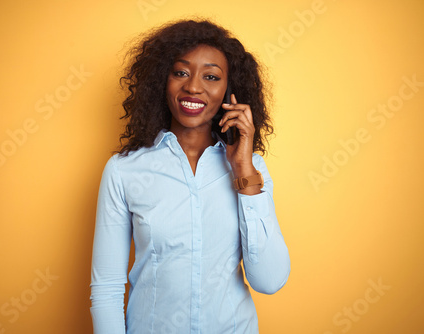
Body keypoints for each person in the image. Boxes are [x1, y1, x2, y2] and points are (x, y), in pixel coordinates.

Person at [90, 18, 290, 334]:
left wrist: (242, 172)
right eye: (181, 72)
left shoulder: (252, 170)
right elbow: (107, 290)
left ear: (230, 90)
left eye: (211, 76)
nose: (193, 86)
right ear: (161, 81)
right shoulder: (125, 170)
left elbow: (269, 280)